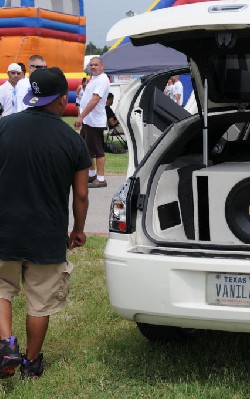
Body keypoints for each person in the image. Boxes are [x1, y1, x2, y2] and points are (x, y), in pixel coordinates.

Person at [0, 67, 90, 379]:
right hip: (48, 233)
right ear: (63, 98)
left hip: (4, 229)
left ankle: (6, 345)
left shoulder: (4, 127)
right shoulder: (73, 141)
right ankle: (30, 364)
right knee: (40, 301)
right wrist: (78, 229)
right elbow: (80, 195)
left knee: (1, 288)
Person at [75, 56, 110, 188]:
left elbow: (95, 100)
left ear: (102, 66)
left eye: (96, 65)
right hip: (88, 121)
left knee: (98, 151)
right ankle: (92, 175)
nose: (93, 67)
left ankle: (101, 179)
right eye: (91, 65)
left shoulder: (102, 80)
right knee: (87, 149)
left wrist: (81, 116)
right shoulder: (94, 79)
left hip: (95, 121)